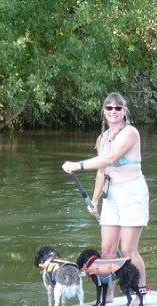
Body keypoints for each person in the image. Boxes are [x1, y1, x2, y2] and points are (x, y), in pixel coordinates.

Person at [61, 92, 148, 292]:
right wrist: (95, 199)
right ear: (104, 111)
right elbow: (102, 171)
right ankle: (107, 297)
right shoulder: (102, 138)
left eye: (118, 108)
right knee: (108, 250)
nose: (113, 111)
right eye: (109, 107)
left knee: (128, 250)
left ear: (124, 111)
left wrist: (78, 165)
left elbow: (110, 159)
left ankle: (140, 293)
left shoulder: (130, 133)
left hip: (132, 193)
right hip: (112, 196)